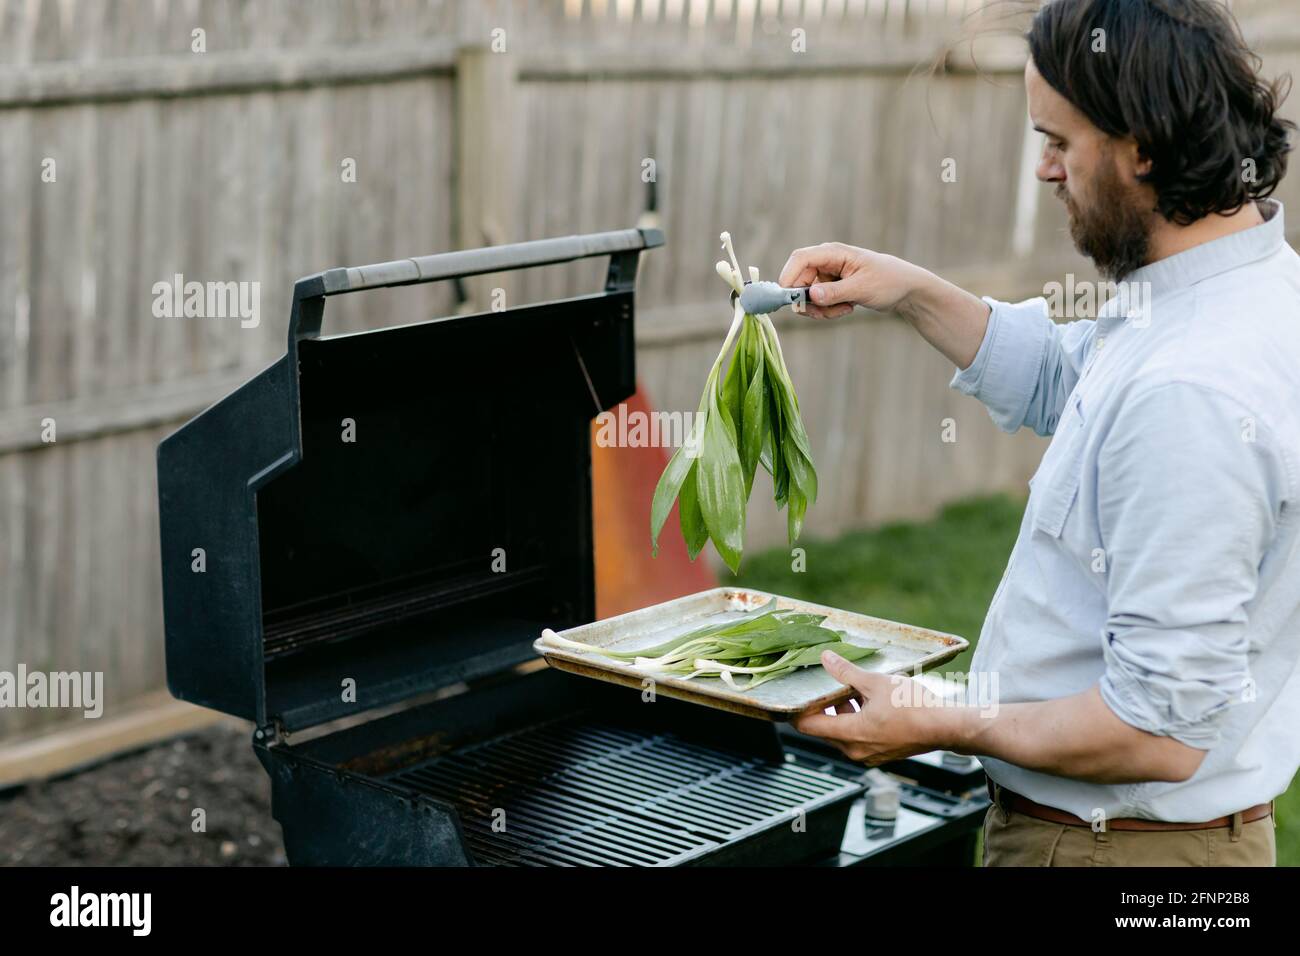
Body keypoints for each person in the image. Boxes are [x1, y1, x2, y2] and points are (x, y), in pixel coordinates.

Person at [784, 0, 1299, 866]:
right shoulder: (1234, 289)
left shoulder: (1193, 387)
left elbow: (1153, 732)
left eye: (1057, 141)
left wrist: (939, 719)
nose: (1044, 171)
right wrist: (910, 289)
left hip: (1113, 850)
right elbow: (1081, 388)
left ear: (1141, 144)